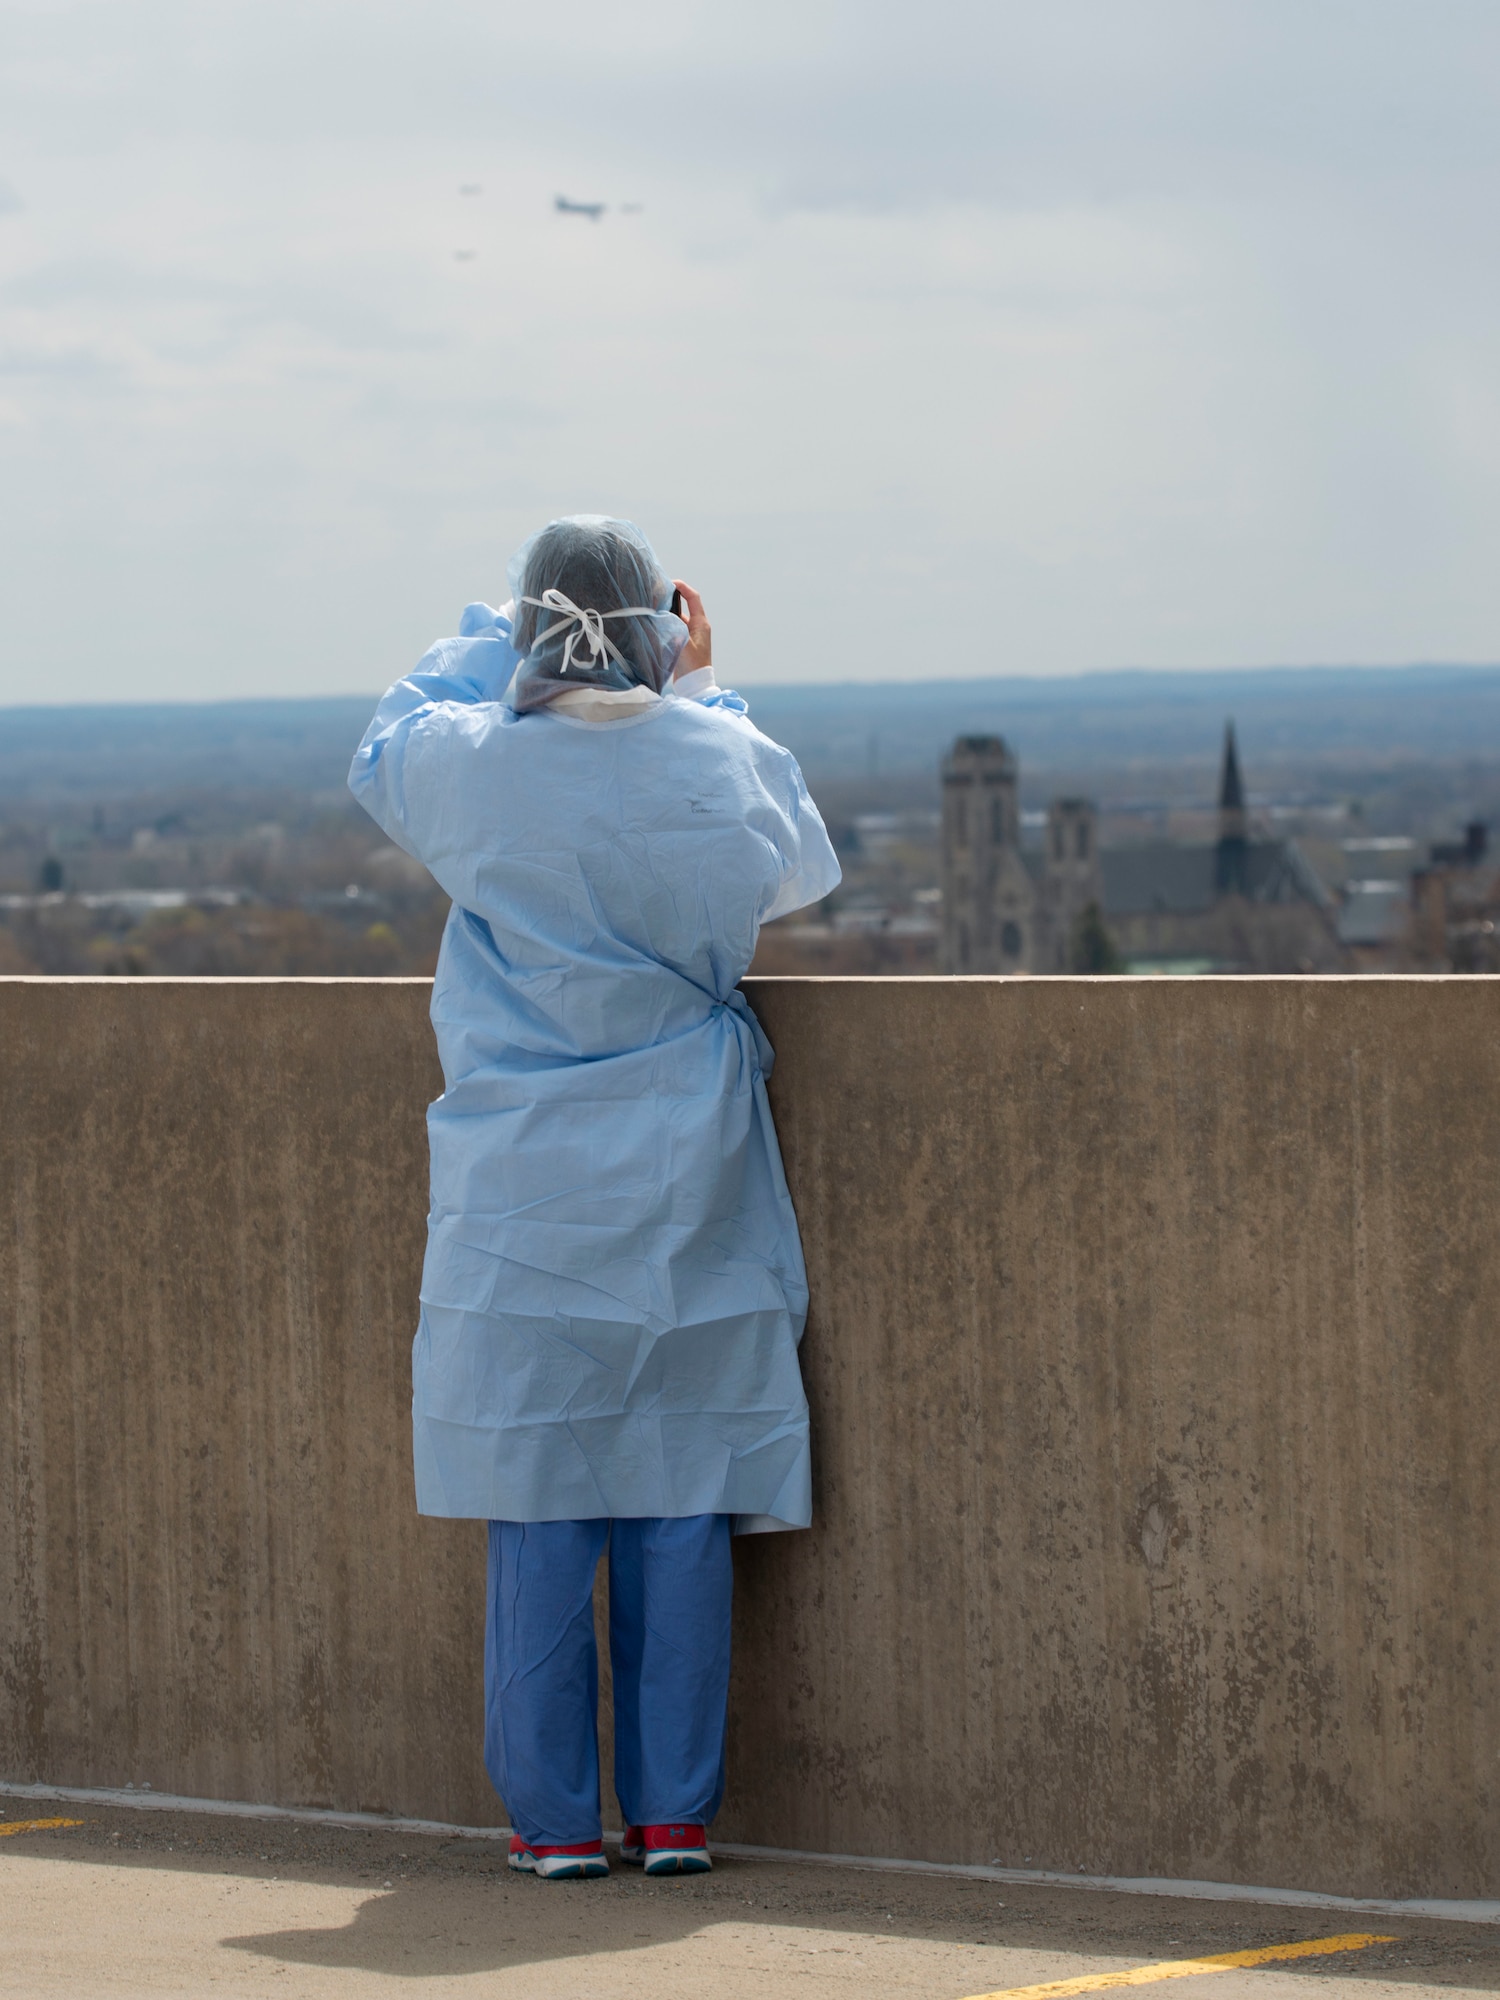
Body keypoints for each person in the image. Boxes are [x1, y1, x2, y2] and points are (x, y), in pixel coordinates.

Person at [349, 515, 840, 1881]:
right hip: (691, 1168)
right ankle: (675, 1812)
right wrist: (701, 685)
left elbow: (388, 740)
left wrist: (485, 632)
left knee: (541, 1489)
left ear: (528, 632)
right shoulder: (718, 752)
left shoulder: (477, 771)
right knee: (683, 1489)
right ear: (661, 626)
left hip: (525, 1183)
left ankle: (557, 1823)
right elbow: (795, 871)